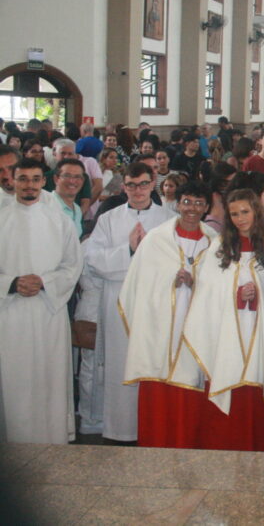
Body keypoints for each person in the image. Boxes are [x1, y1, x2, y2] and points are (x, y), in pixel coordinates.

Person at [183, 189, 264, 451]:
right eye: (234, 214)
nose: (240, 219)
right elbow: (207, 292)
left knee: (255, 401)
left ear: (256, 211)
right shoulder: (219, 247)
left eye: (245, 212)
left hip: (259, 338)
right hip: (225, 340)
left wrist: (258, 293)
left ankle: (257, 450)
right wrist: (237, 294)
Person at [81, 162, 175, 442]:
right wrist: (129, 251)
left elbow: (176, 261)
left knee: (153, 362)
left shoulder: (168, 219)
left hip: (155, 302)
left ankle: (154, 427)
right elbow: (93, 259)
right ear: (123, 187)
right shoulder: (109, 219)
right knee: (119, 364)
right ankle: (121, 429)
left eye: (143, 184)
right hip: (118, 300)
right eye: (131, 185)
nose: (138, 191)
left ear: (153, 183)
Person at [118, 181, 216, 448]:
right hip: (159, 331)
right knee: (159, 390)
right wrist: (169, 281)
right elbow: (137, 285)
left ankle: (191, 447)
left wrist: (196, 282)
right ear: (177, 204)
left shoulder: (215, 243)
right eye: (187, 202)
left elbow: (221, 289)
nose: (192, 208)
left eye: (199, 203)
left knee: (191, 387)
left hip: (196, 332)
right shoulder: (156, 239)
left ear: (207, 207)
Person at [0, 158, 84, 443]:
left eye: (35, 179)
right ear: (12, 181)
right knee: (14, 380)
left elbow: (72, 266)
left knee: (49, 377)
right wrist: (12, 283)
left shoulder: (58, 221)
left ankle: (51, 442)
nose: (29, 185)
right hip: (9, 313)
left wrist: (45, 282)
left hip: (49, 310)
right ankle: (13, 443)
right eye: (23, 179)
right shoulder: (1, 218)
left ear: (44, 182)